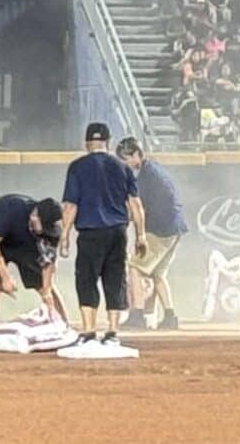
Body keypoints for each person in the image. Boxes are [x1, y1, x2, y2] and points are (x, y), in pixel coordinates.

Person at [60, 121, 143, 353]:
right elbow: (135, 204)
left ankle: (88, 331)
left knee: (86, 280)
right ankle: (113, 332)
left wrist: (64, 235)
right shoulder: (122, 167)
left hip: (90, 231)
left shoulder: (77, 167)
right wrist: (141, 235)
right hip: (117, 231)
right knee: (114, 279)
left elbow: (70, 205)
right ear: (108, 142)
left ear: (87, 143)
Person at [116, 136, 186, 331]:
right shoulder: (151, 170)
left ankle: (137, 314)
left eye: (128, 157)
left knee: (135, 268)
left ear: (138, 154)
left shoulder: (147, 177)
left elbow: (139, 209)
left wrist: (123, 222)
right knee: (158, 274)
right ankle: (171, 317)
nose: (126, 162)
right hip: (174, 228)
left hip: (161, 228)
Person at [0, 194, 68, 331]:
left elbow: (48, 262)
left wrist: (47, 291)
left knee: (44, 287)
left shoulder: (50, 231)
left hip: (24, 243)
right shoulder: (10, 211)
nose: (44, 231)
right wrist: (5, 277)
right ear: (35, 215)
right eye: (43, 226)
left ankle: (64, 326)